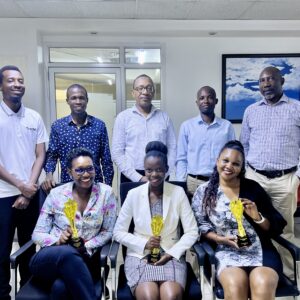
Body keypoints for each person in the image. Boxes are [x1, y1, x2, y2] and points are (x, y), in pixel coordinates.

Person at [192, 140, 287, 300]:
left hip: (261, 251)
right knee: (236, 287)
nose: (229, 166)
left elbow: (276, 226)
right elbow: (200, 226)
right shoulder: (205, 192)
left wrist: (258, 217)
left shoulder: (253, 188)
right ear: (217, 161)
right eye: (225, 161)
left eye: (236, 164)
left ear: (241, 168)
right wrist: (220, 239)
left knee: (262, 284)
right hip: (226, 251)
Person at [113, 141, 198, 299]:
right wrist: (144, 244)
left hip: (170, 255)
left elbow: (192, 231)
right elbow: (118, 232)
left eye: (159, 170)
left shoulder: (178, 193)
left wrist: (172, 253)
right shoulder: (134, 194)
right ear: (144, 170)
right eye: (149, 170)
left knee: (171, 295)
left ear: (166, 169)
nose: (154, 175)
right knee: (149, 295)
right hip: (140, 256)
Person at [30, 147, 117, 299]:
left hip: (85, 260)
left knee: (60, 288)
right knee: (67, 251)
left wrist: (86, 247)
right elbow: (37, 234)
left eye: (90, 169)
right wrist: (58, 241)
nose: (86, 174)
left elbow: (108, 231)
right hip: (50, 259)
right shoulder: (57, 194)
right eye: (79, 170)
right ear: (69, 172)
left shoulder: (106, 193)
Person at [240, 66, 300, 276]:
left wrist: (297, 176)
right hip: (255, 178)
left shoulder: (296, 109)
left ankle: (290, 277)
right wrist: (247, 173)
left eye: (271, 79)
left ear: (282, 81)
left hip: (285, 179)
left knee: (284, 230)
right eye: (262, 80)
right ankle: (257, 271)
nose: (266, 83)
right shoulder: (251, 111)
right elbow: (244, 145)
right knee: (252, 226)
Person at [0, 65, 48, 300]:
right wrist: (21, 186)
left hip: (31, 193)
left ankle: (29, 294)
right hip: (3, 195)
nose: (17, 84)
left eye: (20, 80)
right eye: (11, 80)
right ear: (1, 86)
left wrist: (29, 190)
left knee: (30, 249)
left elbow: (40, 155)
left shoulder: (34, 117)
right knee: (1, 252)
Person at [42, 83, 114, 192]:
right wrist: (49, 174)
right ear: (67, 101)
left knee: (95, 210)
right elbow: (52, 155)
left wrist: (108, 186)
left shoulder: (99, 125)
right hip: (68, 186)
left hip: (95, 187)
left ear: (87, 100)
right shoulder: (58, 126)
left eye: (81, 98)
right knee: (70, 210)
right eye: (74, 98)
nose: (78, 101)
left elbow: (106, 159)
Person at [111, 74, 176, 183]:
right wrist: (138, 178)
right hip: (131, 176)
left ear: (153, 92)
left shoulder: (164, 117)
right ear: (133, 93)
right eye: (140, 88)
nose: (145, 92)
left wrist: (164, 174)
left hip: (160, 175)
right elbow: (117, 153)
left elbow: (173, 149)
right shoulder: (123, 118)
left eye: (149, 88)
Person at [176, 86, 235, 196]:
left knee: (218, 213)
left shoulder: (227, 126)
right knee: (192, 213)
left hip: (219, 182)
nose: (206, 101)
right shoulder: (187, 126)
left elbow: (232, 158)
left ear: (216, 101)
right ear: (197, 102)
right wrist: (181, 183)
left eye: (210, 98)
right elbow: (181, 158)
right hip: (193, 183)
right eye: (202, 98)